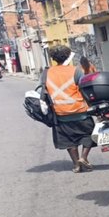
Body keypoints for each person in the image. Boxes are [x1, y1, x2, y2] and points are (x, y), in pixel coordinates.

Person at [41, 45, 95, 173]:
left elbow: (43, 92)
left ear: (53, 58)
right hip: (80, 111)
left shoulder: (46, 73)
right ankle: (83, 157)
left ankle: (76, 165)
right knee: (89, 133)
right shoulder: (76, 71)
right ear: (67, 56)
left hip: (60, 113)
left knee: (69, 140)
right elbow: (85, 87)